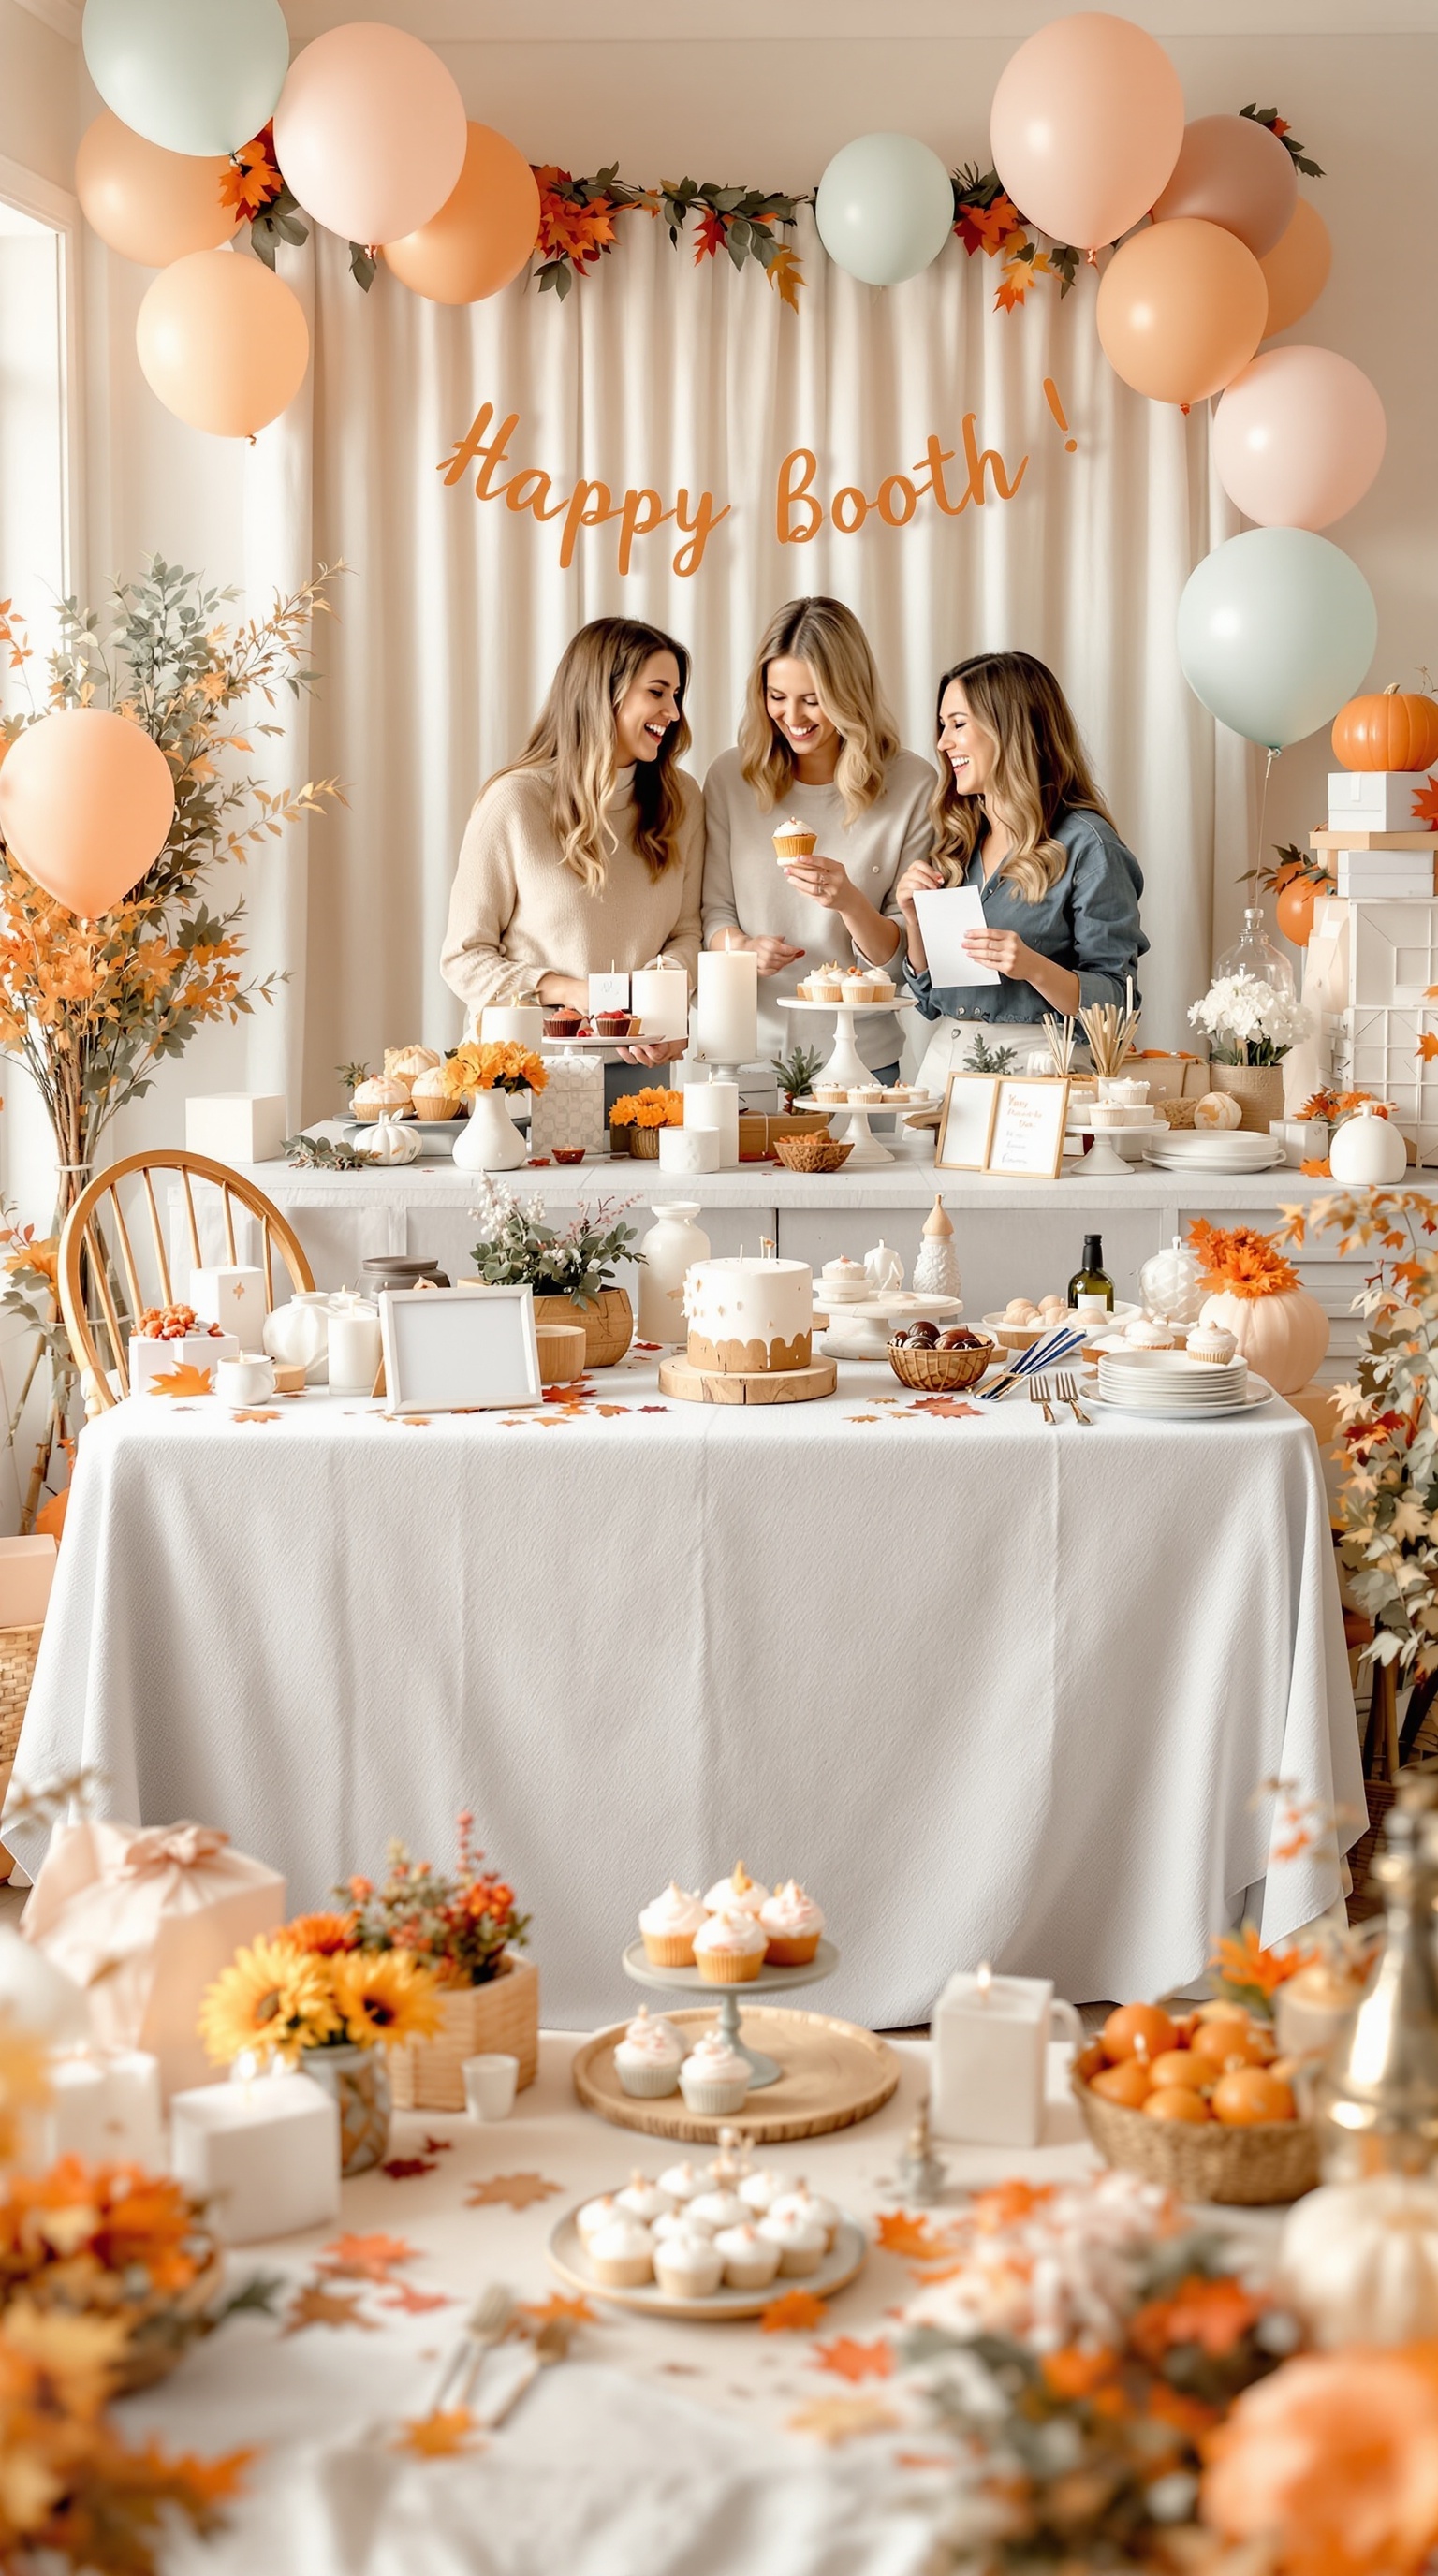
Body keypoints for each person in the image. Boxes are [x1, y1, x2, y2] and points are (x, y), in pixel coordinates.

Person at [441, 617, 702, 1076]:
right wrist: (566, 989)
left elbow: (687, 934)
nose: (674, 713)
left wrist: (657, 1002)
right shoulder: (514, 801)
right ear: (603, 694)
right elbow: (464, 958)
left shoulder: (683, 799)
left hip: (638, 1070)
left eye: (676, 695)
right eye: (657, 693)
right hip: (524, 1076)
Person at [702, 596, 935, 1085]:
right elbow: (713, 911)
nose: (793, 716)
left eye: (813, 699)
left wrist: (849, 901)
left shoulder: (911, 784)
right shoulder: (730, 778)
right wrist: (741, 947)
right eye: (777, 696)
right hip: (745, 1054)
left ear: (851, 695)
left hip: (861, 1060)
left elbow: (902, 961)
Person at [895, 651, 1145, 1083]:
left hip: (1037, 1073)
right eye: (942, 726)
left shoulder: (1088, 845)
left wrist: (1032, 967)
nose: (942, 743)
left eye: (958, 724)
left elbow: (1117, 1006)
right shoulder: (960, 840)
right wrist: (915, 923)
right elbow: (931, 1000)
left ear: (1007, 729)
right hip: (940, 1069)